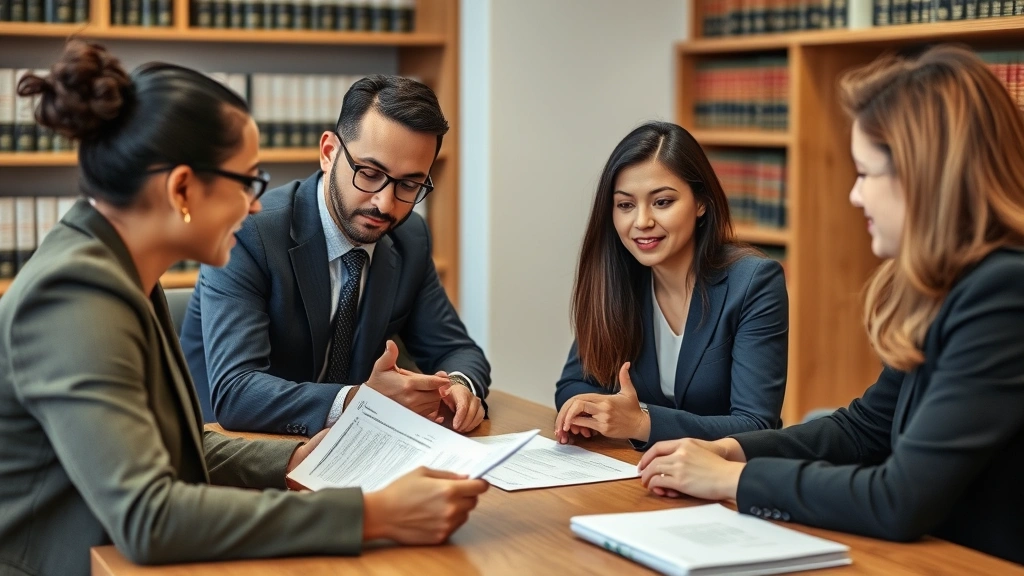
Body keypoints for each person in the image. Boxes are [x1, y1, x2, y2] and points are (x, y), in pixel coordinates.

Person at [0, 41, 488, 576]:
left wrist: (292, 460)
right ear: (183, 188)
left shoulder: (123, 274)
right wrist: (370, 515)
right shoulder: (74, 295)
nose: (257, 204)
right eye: (247, 182)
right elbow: (150, 518)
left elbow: (174, 448)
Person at [636, 45, 1024, 566]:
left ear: (923, 176)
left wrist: (734, 478)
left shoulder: (1003, 293)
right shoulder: (951, 286)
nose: (854, 196)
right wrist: (737, 450)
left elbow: (899, 499)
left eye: (866, 173)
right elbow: (863, 429)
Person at [180, 74, 489, 436]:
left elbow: (457, 349)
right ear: (329, 153)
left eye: (409, 185)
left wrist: (457, 386)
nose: (384, 203)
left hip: (351, 451)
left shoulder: (410, 238)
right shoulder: (251, 232)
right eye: (370, 173)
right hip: (234, 453)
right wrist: (361, 401)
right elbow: (236, 393)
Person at [553, 121, 789, 449]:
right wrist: (589, 410)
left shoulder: (753, 282)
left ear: (701, 203)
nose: (642, 221)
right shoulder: (617, 278)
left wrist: (641, 422)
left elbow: (756, 425)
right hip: (640, 474)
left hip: (724, 480)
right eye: (625, 205)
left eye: (662, 202)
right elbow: (574, 383)